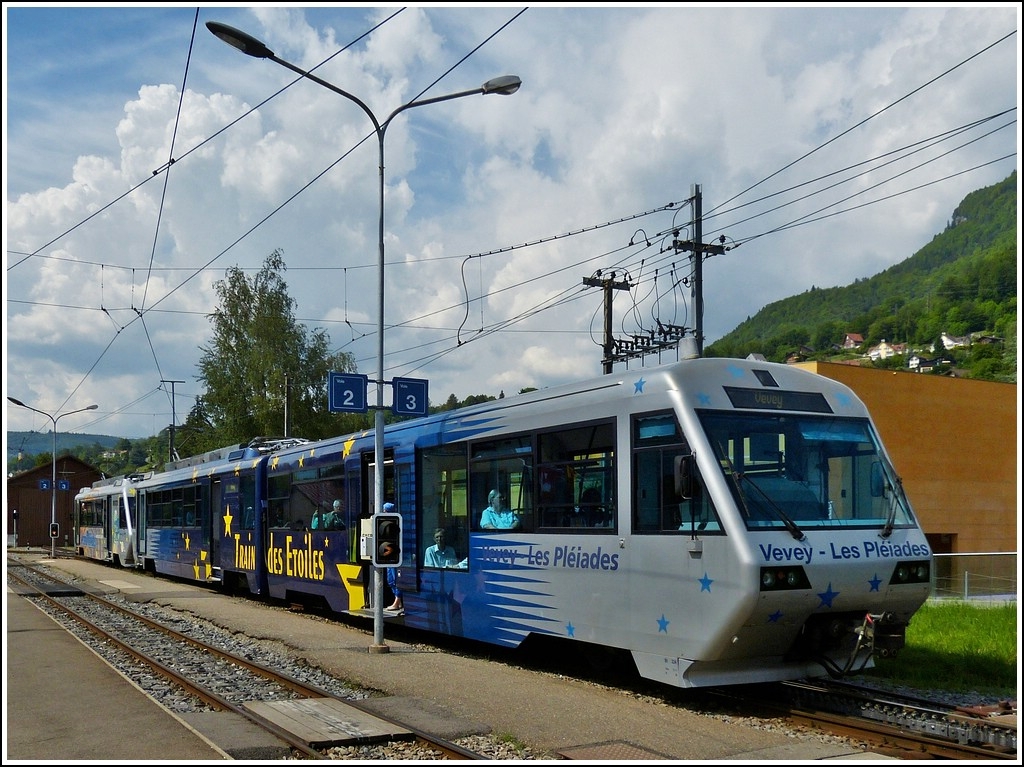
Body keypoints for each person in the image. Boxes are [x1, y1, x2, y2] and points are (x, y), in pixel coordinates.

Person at [382, 502, 404, 613]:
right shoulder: (383, 523)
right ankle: (398, 602)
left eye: (386, 511)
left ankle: (397, 601)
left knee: (395, 579)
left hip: (394, 556)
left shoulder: (396, 523)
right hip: (389, 556)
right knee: (390, 580)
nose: (384, 513)